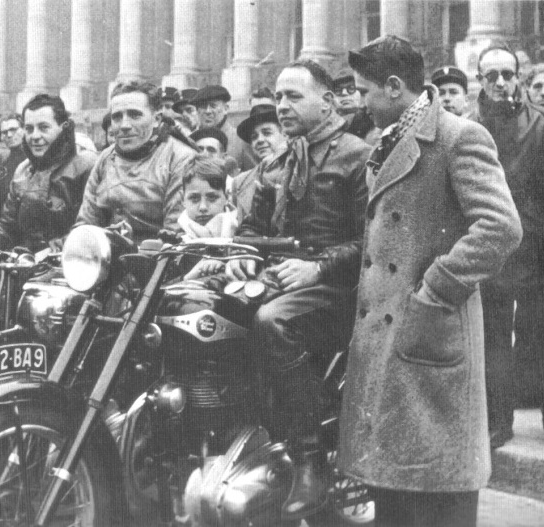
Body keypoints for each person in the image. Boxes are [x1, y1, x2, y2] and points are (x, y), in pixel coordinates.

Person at [340, 35, 522, 527]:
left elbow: (500, 227)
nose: (359, 101)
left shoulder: (458, 136)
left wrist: (435, 291)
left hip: (431, 333)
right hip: (400, 340)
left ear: (393, 86)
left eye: (364, 91)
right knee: (397, 492)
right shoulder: (389, 139)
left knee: (437, 494)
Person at [226, 59, 371, 520]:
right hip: (282, 279)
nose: (282, 106)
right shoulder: (279, 161)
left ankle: (310, 459)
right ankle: (239, 441)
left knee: (274, 322)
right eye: (278, 97)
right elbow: (251, 227)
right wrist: (245, 252)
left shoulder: (360, 157)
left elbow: (373, 240)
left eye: (293, 96)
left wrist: (318, 269)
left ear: (327, 102)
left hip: (339, 289)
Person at [470, 43, 544, 449]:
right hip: (490, 244)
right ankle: (497, 421)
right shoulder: (468, 127)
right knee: (492, 338)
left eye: (508, 74)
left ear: (518, 77)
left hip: (538, 244)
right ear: (480, 79)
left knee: (542, 330)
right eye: (492, 76)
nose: (501, 83)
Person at [75, 81, 197, 243]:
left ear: (156, 119)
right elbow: (86, 225)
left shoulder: (181, 158)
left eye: (135, 115)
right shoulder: (105, 158)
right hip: (106, 253)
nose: (124, 125)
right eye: (117, 117)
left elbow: (174, 233)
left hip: (159, 254)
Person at [0, 94, 96, 253]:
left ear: (63, 127)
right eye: (29, 129)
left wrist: (56, 249)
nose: (35, 136)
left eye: (44, 127)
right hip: (27, 261)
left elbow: (91, 226)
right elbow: (6, 227)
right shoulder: (22, 171)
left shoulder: (86, 166)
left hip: (74, 259)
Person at [232, 103, 289, 223]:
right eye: (254, 137)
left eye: (267, 133)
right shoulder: (240, 182)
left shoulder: (297, 169)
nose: (259, 140)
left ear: (285, 134)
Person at [192, 84, 256, 171]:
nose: (208, 111)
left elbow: (254, 174)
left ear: (226, 109)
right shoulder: (192, 140)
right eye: (203, 106)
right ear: (197, 111)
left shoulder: (241, 140)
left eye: (213, 106)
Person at [333, 69, 379, 144]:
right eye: (338, 90)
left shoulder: (376, 123)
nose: (344, 93)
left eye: (351, 89)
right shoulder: (331, 125)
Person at [0, 113, 26, 182]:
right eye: (4, 132)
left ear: (24, 129)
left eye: (13, 130)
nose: (9, 135)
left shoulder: (33, 157)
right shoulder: (5, 160)